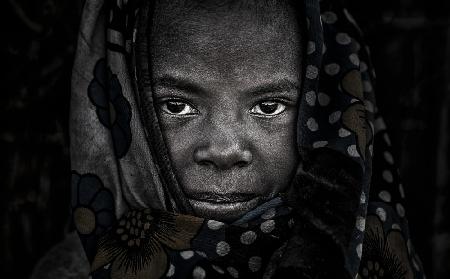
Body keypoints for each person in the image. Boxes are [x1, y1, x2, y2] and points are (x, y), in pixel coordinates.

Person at [31, 0, 426, 278]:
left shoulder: (373, 260)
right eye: (176, 107)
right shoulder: (73, 270)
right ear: (122, 106)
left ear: (326, 118)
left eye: (269, 107)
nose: (223, 151)